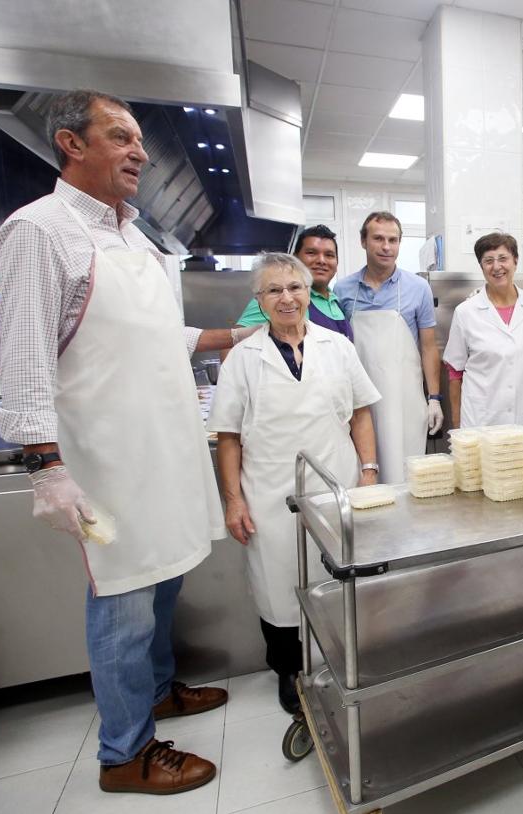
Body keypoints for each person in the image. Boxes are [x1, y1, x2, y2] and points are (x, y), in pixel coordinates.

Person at [0, 89, 249, 794]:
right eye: (121, 137)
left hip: (159, 451)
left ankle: (159, 692)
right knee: (122, 601)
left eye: (140, 139)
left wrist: (239, 336)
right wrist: (46, 466)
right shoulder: (40, 231)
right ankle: (125, 753)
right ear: (72, 144)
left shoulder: (132, 235)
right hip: (102, 465)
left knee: (162, 580)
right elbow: (24, 360)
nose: (139, 151)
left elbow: (161, 337)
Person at [209, 253, 379, 715]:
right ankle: (289, 671)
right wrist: (233, 501)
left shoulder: (337, 346)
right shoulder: (243, 357)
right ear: (259, 301)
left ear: (309, 292)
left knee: (337, 575)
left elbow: (361, 412)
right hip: (268, 488)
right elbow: (227, 436)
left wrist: (368, 472)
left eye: (294, 288)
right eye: (273, 291)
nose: (287, 298)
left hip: (335, 481)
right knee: (278, 582)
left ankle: (341, 660)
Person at [334, 212, 442, 483]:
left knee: (404, 474)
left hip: (404, 400)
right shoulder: (343, 289)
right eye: (378, 239)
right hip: (359, 401)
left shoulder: (418, 288)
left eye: (393, 240)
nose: (386, 247)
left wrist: (434, 399)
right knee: (365, 473)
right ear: (363, 241)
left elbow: (428, 347)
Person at [443, 233, 523, 427]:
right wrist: (457, 427)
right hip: (481, 420)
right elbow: (455, 373)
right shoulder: (466, 312)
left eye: (503, 258)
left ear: (515, 261)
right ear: (481, 267)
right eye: (488, 261)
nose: (496, 267)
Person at [233, 224, 353, 341]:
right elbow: (233, 346)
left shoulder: (335, 301)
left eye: (329, 255)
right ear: (295, 259)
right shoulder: (278, 299)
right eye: (311, 253)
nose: (321, 260)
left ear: (337, 262)